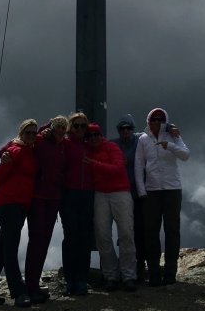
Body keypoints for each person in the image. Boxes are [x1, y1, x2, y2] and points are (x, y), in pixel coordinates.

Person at [0, 119, 38, 308]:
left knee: (2, 250)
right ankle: (18, 293)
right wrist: (6, 194)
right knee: (10, 249)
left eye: (33, 133)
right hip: (10, 204)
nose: (31, 135)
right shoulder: (15, 151)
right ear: (21, 133)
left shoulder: (28, 151)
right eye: (27, 132)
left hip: (18, 205)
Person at [134, 107, 189, 287]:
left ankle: (170, 272)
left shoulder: (172, 135)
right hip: (152, 190)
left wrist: (170, 145)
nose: (157, 122)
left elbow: (186, 155)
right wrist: (141, 190)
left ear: (165, 120)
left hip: (172, 189)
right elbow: (138, 165)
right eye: (153, 119)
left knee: (172, 230)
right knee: (151, 232)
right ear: (148, 121)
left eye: (160, 119)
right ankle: (154, 272)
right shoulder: (143, 139)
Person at [85, 122, 137, 292]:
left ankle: (129, 275)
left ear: (101, 135)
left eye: (96, 134)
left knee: (126, 234)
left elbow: (117, 168)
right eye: (89, 136)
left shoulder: (112, 147)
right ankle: (110, 275)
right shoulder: (87, 151)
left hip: (120, 192)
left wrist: (94, 164)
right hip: (100, 194)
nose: (93, 138)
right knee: (102, 236)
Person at [24, 115, 68, 303]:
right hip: (38, 197)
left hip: (53, 199)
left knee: (44, 241)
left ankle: (33, 284)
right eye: (57, 126)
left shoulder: (63, 145)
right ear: (51, 126)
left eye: (63, 127)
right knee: (36, 240)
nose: (59, 130)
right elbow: (17, 142)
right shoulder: (41, 139)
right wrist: (4, 153)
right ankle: (30, 286)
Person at [59, 111, 94, 296]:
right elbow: (43, 136)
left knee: (85, 237)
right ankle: (70, 280)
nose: (80, 129)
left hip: (88, 194)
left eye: (83, 125)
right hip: (69, 194)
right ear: (70, 127)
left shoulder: (91, 144)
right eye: (76, 125)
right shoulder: (64, 143)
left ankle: (82, 280)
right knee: (71, 237)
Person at [110, 114, 147, 281]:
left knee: (139, 230)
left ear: (133, 128)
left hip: (138, 194)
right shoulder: (113, 144)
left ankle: (139, 267)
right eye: (122, 128)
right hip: (120, 193)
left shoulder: (140, 139)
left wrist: (169, 128)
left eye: (128, 128)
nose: (125, 131)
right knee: (124, 232)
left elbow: (155, 130)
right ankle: (125, 266)